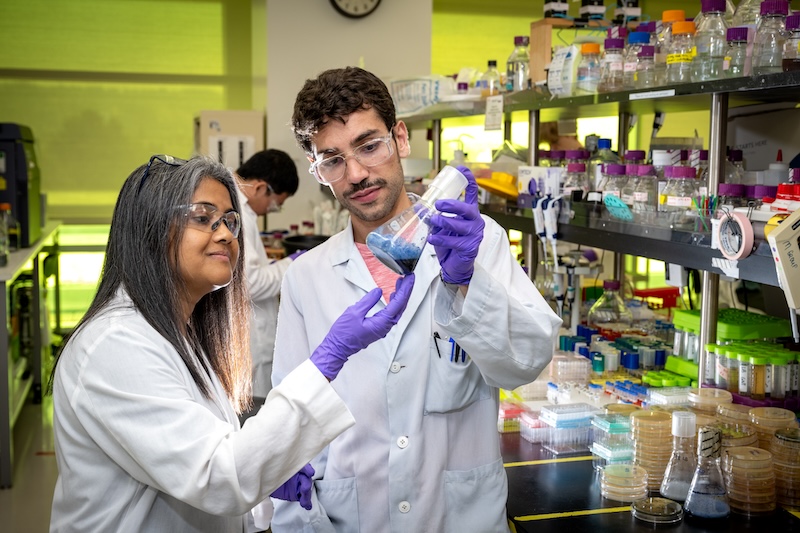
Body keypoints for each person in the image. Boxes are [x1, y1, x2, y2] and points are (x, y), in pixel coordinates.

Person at [48, 154, 415, 532]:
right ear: (149, 229)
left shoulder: (180, 331)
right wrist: (329, 358)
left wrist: (268, 476)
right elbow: (217, 477)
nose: (225, 233)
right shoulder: (116, 345)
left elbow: (207, 457)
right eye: (203, 218)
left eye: (228, 220)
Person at [271, 67, 561, 532]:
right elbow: (292, 418)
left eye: (369, 145)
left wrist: (466, 284)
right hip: (351, 518)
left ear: (400, 138)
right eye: (333, 160)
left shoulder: (479, 241)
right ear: (319, 172)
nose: (357, 174)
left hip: (460, 517)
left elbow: (525, 363)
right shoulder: (308, 276)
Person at [234, 149, 300, 398]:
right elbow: (251, 283)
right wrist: (292, 264)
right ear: (261, 187)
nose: (270, 211)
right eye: (276, 204)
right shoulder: (239, 213)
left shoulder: (240, 208)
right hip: (249, 340)